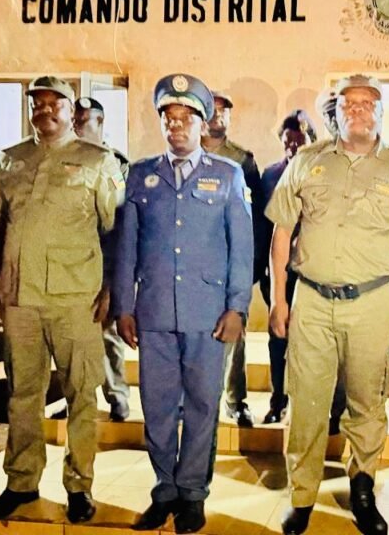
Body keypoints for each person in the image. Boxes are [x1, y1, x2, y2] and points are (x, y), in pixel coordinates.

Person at [265, 74, 389, 535]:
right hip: (312, 301)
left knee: (367, 400)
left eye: (367, 104)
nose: (357, 111)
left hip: (373, 302)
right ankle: (302, 495)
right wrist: (279, 300)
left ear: (381, 113)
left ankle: (362, 488)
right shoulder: (306, 162)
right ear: (336, 113)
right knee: (306, 402)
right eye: (349, 103)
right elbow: (282, 234)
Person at [0, 76, 125, 524]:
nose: (44, 111)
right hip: (20, 298)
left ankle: (80, 486)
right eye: (36, 104)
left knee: (81, 394)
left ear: (70, 110)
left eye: (53, 103)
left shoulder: (98, 160)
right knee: (22, 394)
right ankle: (21, 482)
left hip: (76, 299)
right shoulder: (11, 159)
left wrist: (112, 289)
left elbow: (116, 229)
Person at [115, 73, 253, 533]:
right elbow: (127, 246)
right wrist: (124, 306)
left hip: (207, 313)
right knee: (156, 407)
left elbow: (242, 248)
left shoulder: (227, 175)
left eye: (186, 118)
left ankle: (192, 493)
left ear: (203, 123)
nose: (176, 126)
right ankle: (165, 490)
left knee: (200, 406)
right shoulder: (141, 174)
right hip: (154, 311)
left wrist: (237, 307)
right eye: (168, 118)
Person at [202, 91, 264, 428]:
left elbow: (255, 219)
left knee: (235, 335)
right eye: (212, 110)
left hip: (230, 264)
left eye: (224, 112)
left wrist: (251, 267)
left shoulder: (242, 160)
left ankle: (235, 400)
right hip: (196, 264)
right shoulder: (186, 155)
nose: (217, 117)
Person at [71, 96, 132, 422]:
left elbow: (121, 224)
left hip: (105, 263)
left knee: (108, 334)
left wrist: (113, 279)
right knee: (73, 338)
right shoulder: (63, 160)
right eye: (74, 121)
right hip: (70, 265)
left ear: (100, 123)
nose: (77, 127)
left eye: (84, 121)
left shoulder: (116, 165)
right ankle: (78, 398)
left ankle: (117, 396)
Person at [260, 110, 315, 424]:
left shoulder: (320, 173)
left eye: (299, 141)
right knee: (277, 338)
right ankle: (277, 400)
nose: (293, 147)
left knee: (308, 342)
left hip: (310, 272)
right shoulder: (270, 175)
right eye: (288, 141)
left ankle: (305, 404)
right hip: (279, 272)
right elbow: (262, 227)